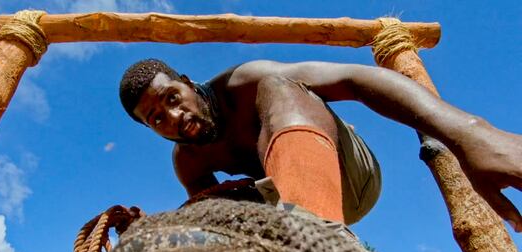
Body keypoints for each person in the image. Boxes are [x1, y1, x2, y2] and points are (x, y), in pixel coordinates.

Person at [118, 58, 522, 230]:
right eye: (157, 118)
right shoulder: (188, 162)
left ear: (187, 83)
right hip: (281, 212)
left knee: (276, 84)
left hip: (350, 178)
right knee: (207, 209)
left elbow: (354, 78)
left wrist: (469, 131)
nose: (173, 118)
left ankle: (319, 236)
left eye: (172, 98)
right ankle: (300, 251)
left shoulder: (242, 84)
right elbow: (217, 220)